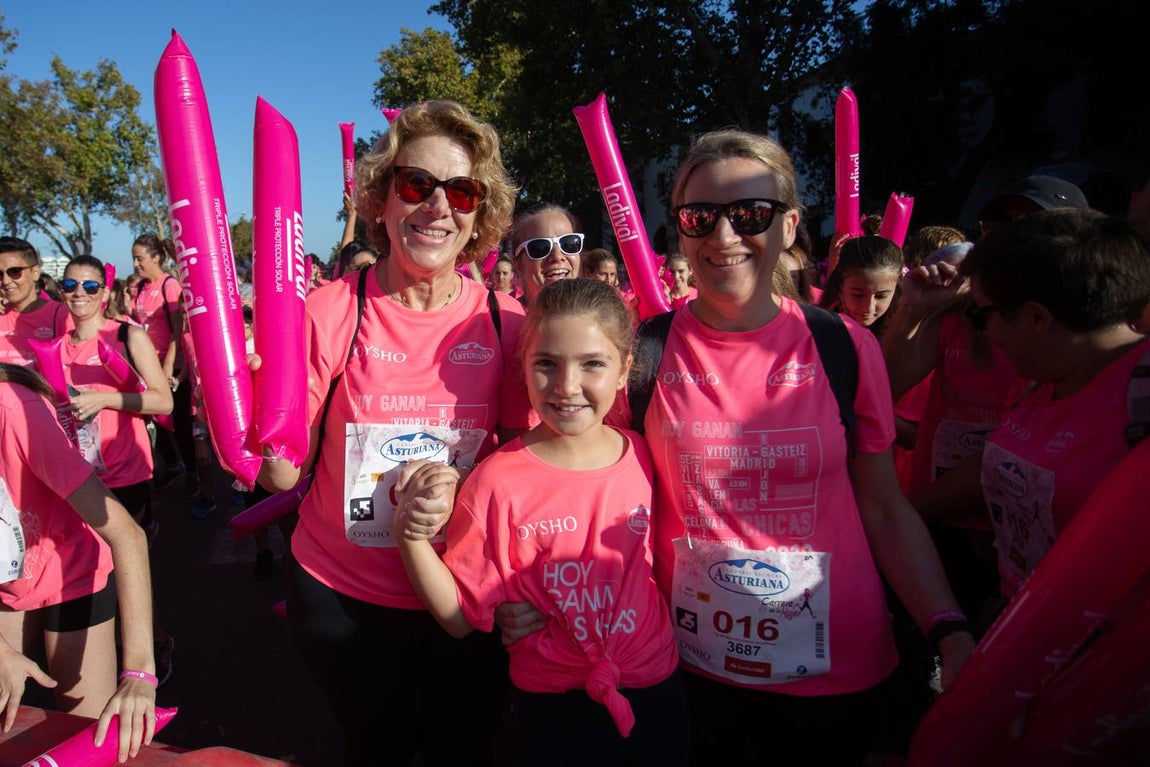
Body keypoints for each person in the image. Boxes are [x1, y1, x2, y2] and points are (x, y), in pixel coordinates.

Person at [256, 99, 529, 767]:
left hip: (462, 594)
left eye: (460, 191)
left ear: (478, 217)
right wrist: (253, 408)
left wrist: (462, 487)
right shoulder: (329, 310)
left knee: (459, 747)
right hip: (345, 597)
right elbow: (280, 476)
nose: (438, 206)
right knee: (375, 747)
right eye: (417, 184)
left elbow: (532, 465)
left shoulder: (507, 322)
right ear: (381, 200)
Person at [395, 279, 688, 765]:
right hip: (550, 707)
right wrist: (410, 535)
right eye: (546, 364)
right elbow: (459, 618)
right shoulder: (495, 482)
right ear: (523, 369)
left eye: (593, 363)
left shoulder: (643, 453)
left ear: (624, 371)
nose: (567, 386)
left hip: (656, 690)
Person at [962, 209, 1150, 598]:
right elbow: (999, 466)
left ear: (1036, 317)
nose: (981, 331)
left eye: (979, 314)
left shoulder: (1140, 403)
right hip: (1018, 619)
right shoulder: (1036, 382)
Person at [0, 362, 158, 763]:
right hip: (9, 581)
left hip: (71, 570)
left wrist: (139, 672)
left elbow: (128, 535)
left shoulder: (18, 412)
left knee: (92, 737)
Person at [0, 237, 69, 368]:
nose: (6, 281)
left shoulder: (61, 316)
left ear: (35, 272)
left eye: (15, 272)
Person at [818, 235, 904, 336]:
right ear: (841, 286)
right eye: (858, 295)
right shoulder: (818, 329)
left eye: (881, 296)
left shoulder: (904, 329)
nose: (869, 307)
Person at [510, 204, 583, 305]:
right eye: (540, 248)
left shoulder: (603, 316)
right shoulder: (503, 319)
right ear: (517, 264)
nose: (557, 257)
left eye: (568, 243)